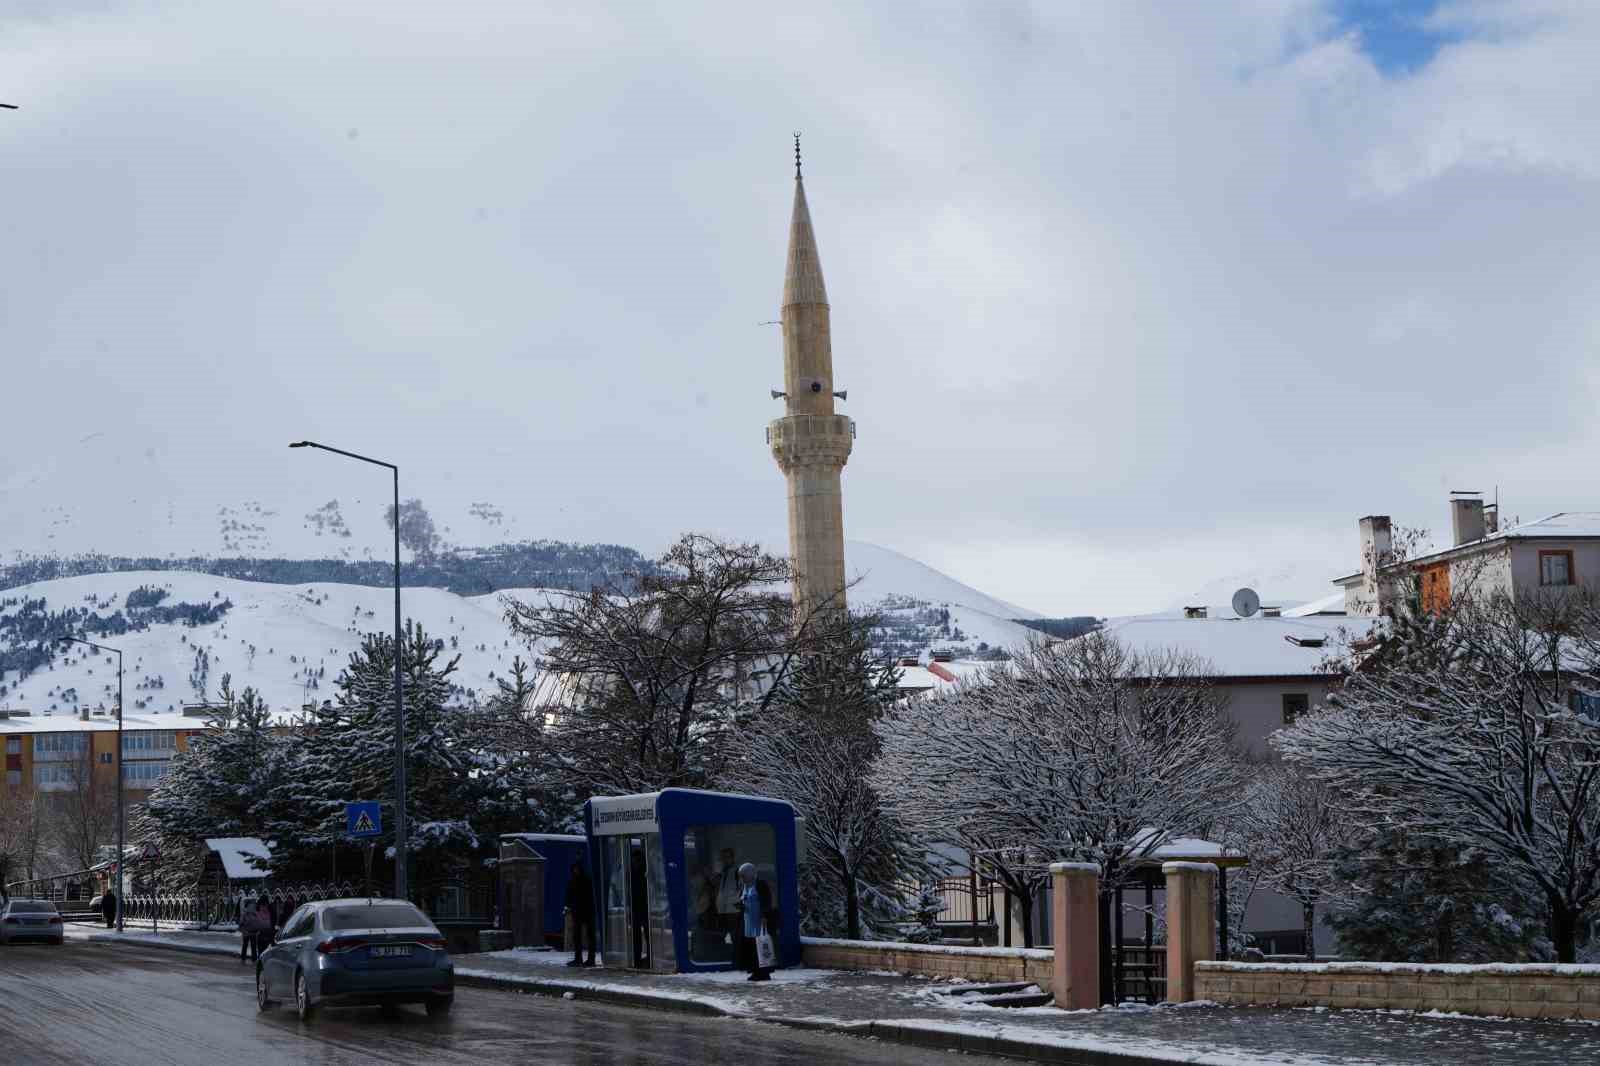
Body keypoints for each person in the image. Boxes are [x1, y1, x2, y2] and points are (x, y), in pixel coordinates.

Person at [735, 862, 777, 982]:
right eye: (741, 876)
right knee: (750, 946)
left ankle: (763, 972)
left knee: (760, 946)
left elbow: (766, 901)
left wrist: (764, 915)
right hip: (748, 921)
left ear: (750, 874)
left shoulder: (760, 884)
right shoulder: (744, 886)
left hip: (759, 921)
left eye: (744, 875)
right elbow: (744, 900)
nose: (742, 878)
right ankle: (754, 971)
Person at [566, 860, 596, 968]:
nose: (575, 871)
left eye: (577, 869)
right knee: (577, 936)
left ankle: (590, 959)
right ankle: (578, 958)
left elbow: (589, 896)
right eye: (574, 869)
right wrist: (569, 904)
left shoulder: (585, 880)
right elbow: (569, 895)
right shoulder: (573, 881)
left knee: (589, 936)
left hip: (587, 911)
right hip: (578, 911)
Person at [240, 898, 263, 963]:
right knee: (245, 945)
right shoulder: (245, 914)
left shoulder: (255, 914)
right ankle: (243, 958)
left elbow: (258, 923)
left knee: (253, 945)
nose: (252, 906)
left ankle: (254, 958)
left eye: (253, 905)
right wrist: (244, 931)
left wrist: (258, 930)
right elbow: (241, 924)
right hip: (247, 932)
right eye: (251, 905)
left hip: (253, 932)